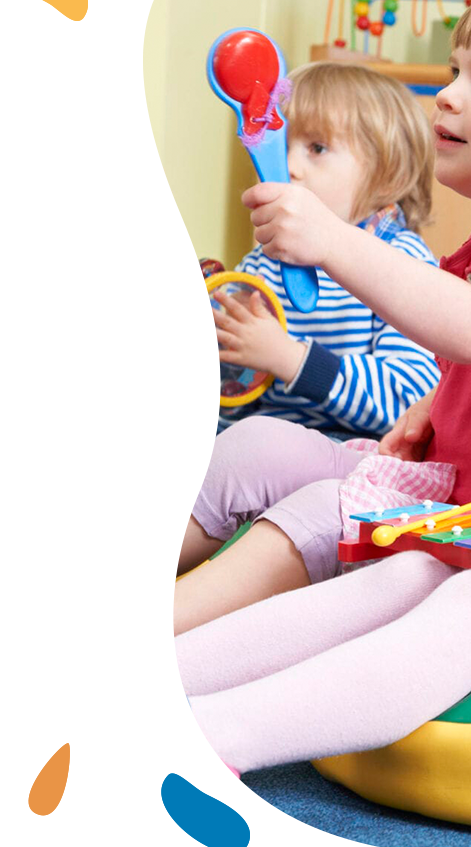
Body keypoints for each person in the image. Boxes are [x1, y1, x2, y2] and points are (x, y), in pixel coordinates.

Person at [114, 0, 471, 846]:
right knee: (256, 443)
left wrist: (331, 239)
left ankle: (137, 651)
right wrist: (430, 405)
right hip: (447, 487)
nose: (448, 93)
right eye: (454, 70)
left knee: (326, 503)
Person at [112, 61, 441, 520]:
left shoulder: (400, 260)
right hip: (247, 453)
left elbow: (407, 403)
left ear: (386, 173)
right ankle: (140, 558)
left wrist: (291, 359)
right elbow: (233, 395)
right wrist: (200, 362)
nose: (288, 166)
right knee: (119, 416)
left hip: (342, 462)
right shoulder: (263, 261)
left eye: (318, 148)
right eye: (282, 145)